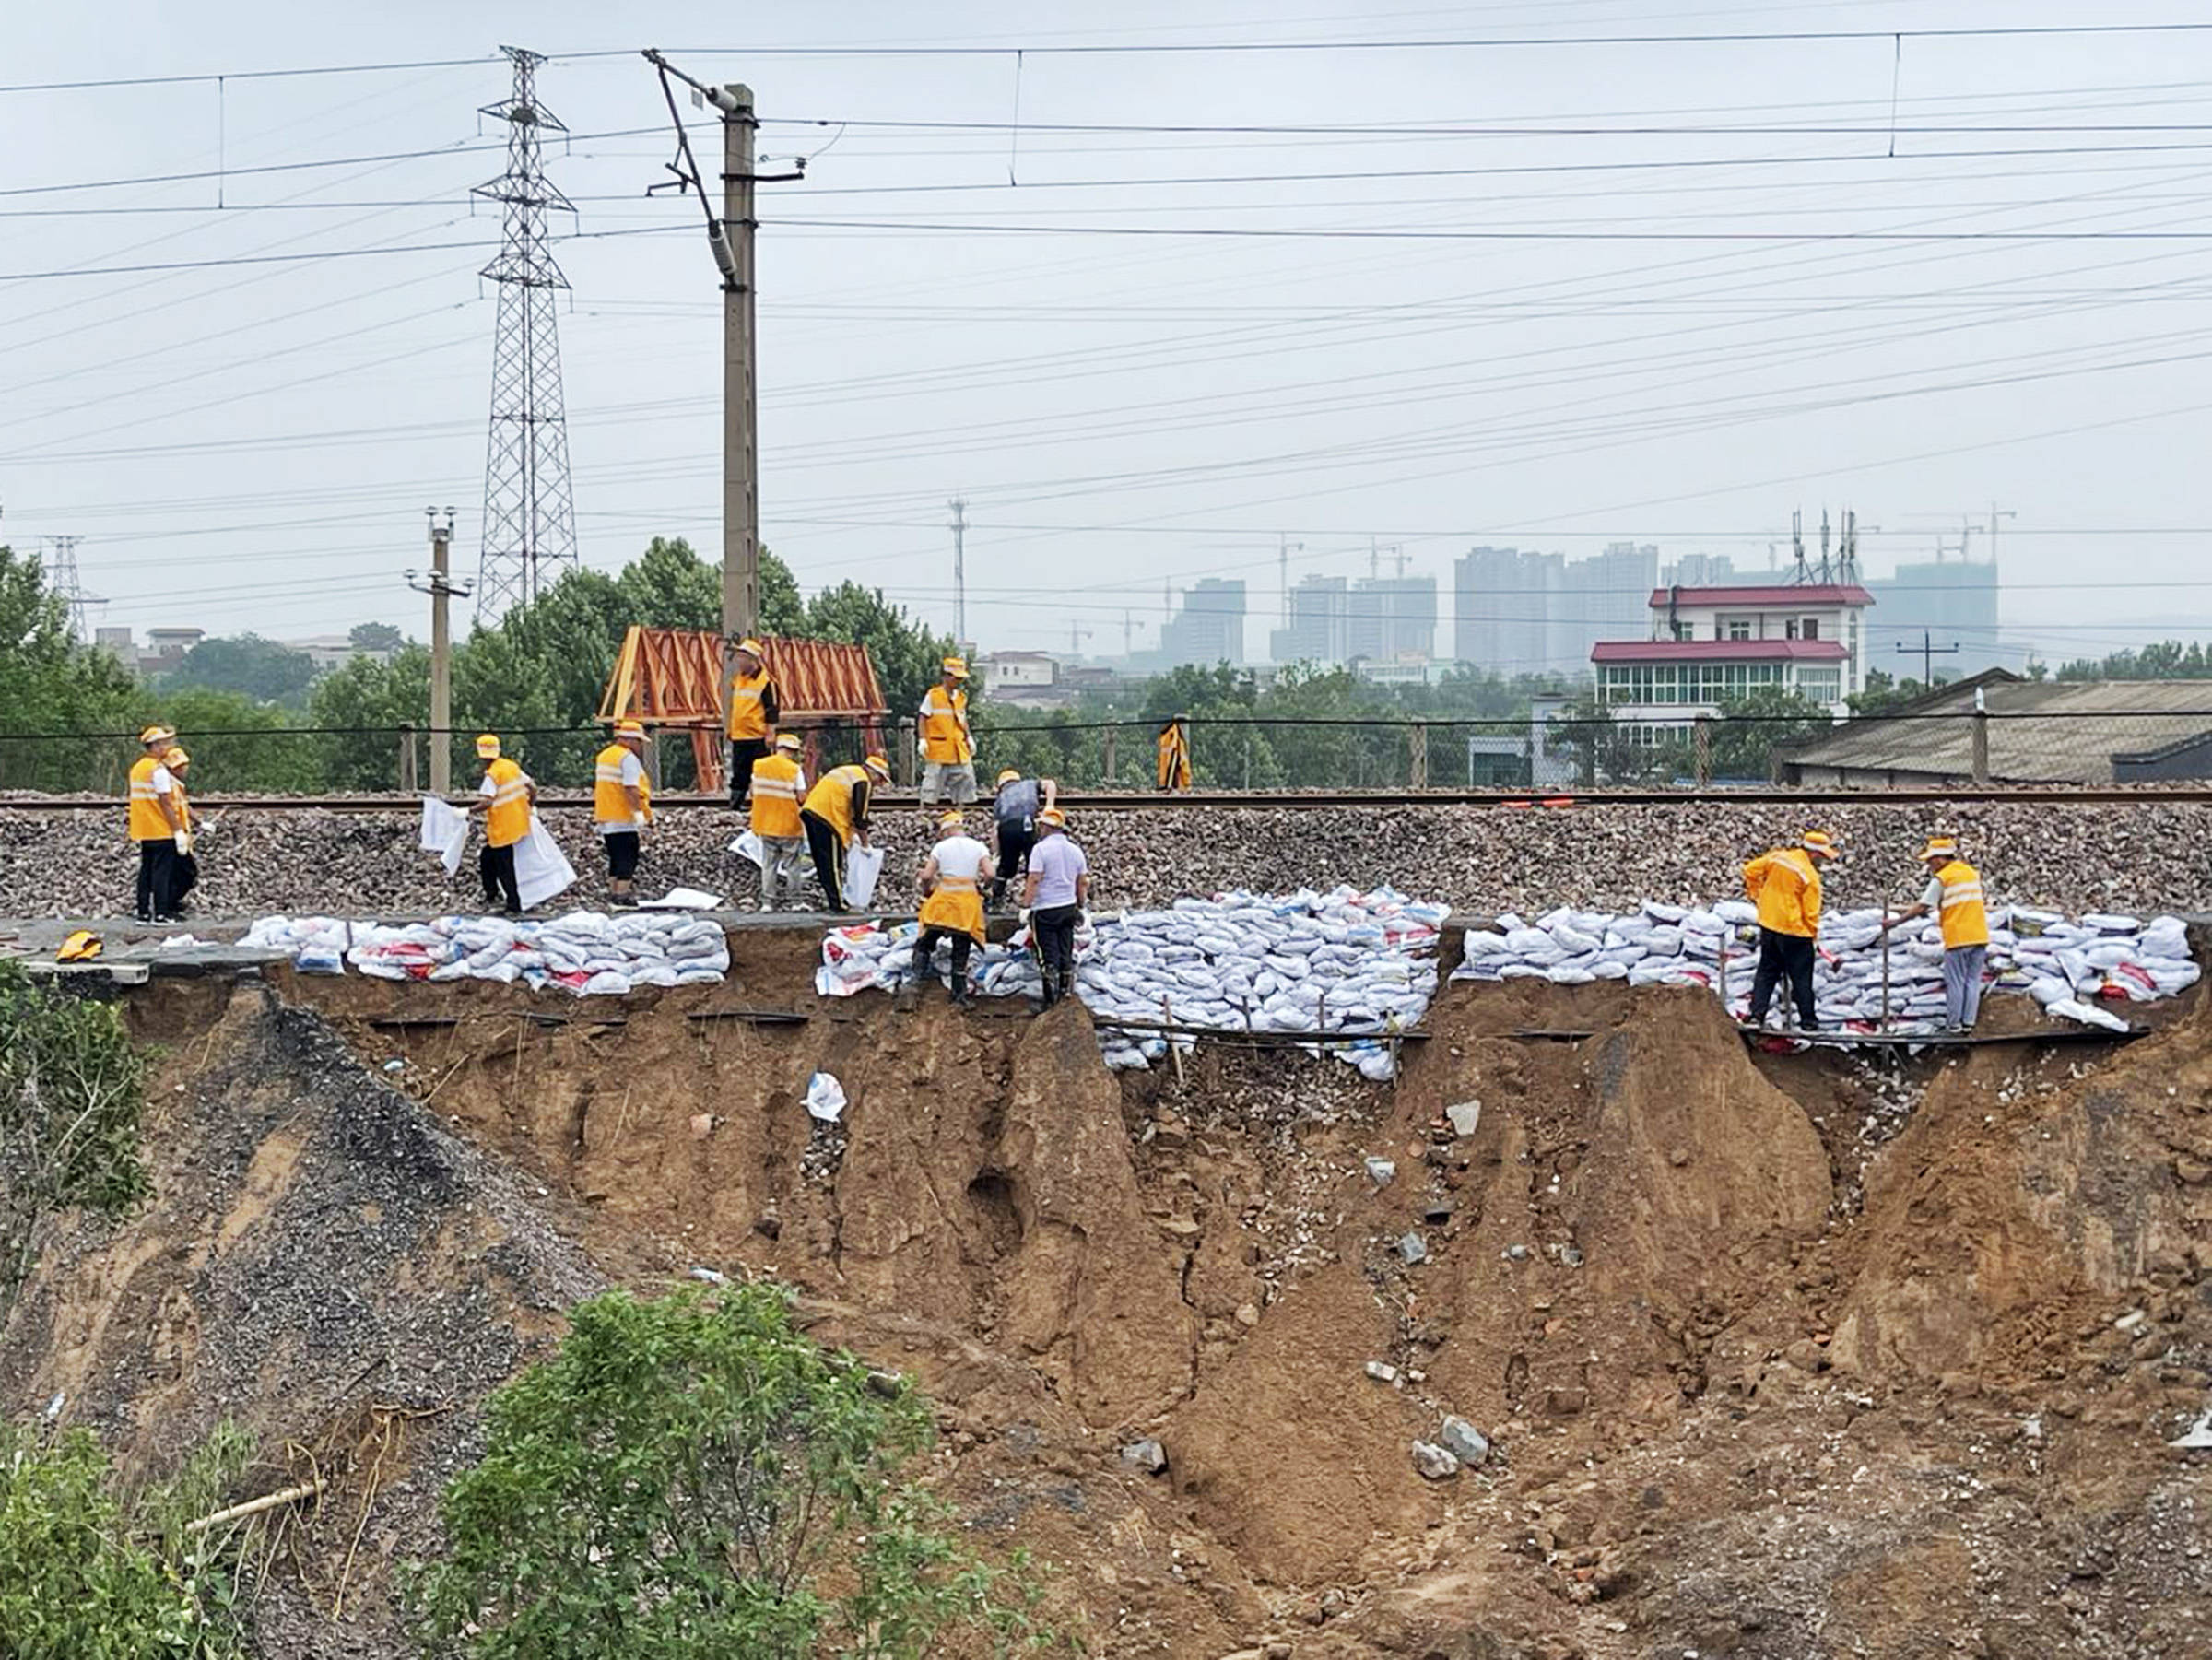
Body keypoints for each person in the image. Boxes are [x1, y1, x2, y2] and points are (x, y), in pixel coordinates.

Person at [1881, 835, 1990, 1030]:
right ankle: (1968, 1024)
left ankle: (1954, 1025)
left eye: (1930, 860)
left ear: (1940, 858)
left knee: (1955, 982)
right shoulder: (1970, 873)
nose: (1929, 865)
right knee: (1972, 980)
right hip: (1980, 935)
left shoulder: (1943, 878)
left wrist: (1896, 922)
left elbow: (1922, 907)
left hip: (1958, 937)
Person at [1742, 829, 1839, 1030]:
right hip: (1796, 933)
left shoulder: (1778, 858)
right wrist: (1813, 935)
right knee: (1801, 977)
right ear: (1814, 853)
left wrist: (1757, 895)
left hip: (1769, 925)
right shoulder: (1810, 876)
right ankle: (1808, 1022)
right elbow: (1811, 912)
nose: (1822, 861)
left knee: (1766, 972)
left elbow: (1750, 870)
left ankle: (1756, 1016)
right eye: (1822, 857)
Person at [914, 810, 995, 1007]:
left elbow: (926, 876)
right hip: (966, 907)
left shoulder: (941, 847)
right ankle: (959, 996)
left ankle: (914, 985)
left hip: (942, 904)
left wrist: (927, 891)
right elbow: (991, 873)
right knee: (961, 950)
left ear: (945, 831)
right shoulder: (978, 847)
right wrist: (983, 886)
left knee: (924, 943)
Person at [800, 752, 891, 912]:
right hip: (828, 818)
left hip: (810, 811)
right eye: (880, 779)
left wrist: (851, 835)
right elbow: (860, 817)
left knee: (823, 861)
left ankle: (832, 899)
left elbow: (844, 802)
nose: (879, 784)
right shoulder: (863, 781)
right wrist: (865, 844)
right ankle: (838, 905)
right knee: (833, 864)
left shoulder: (849, 770)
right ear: (873, 772)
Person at [1022, 807, 1090, 1011]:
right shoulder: (1075, 850)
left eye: (1041, 826)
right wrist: (1080, 903)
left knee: (1048, 954)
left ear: (1046, 827)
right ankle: (1066, 992)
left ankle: (1050, 1001)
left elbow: (1034, 879)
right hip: (1068, 907)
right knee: (1065, 947)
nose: (1039, 829)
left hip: (1046, 908)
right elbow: (1082, 882)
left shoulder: (1040, 850)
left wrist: (1027, 905)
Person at [465, 734, 535, 915]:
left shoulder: (492, 774)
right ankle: (492, 893)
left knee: (504, 866)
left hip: (503, 827)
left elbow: (487, 802)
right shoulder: (510, 766)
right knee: (487, 857)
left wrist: (467, 811)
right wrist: (530, 805)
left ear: (480, 755)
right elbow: (532, 786)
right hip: (519, 821)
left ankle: (514, 905)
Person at [126, 724, 185, 923]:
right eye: (165, 743)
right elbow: (165, 802)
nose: (168, 747)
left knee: (146, 871)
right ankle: (161, 913)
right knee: (162, 873)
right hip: (160, 828)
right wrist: (178, 830)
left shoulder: (137, 768)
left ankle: (143, 912)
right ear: (156, 746)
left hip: (143, 829)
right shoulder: (158, 770)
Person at [593, 719, 653, 906]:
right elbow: (631, 788)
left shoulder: (605, 755)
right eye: (638, 741)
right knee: (628, 854)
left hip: (606, 815)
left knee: (615, 855)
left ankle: (613, 891)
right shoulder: (628, 759)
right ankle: (622, 895)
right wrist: (638, 813)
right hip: (622, 816)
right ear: (629, 740)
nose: (639, 746)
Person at [749, 733, 808, 911]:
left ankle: (767, 903)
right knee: (792, 865)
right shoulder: (794, 769)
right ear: (793, 751)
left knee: (768, 865)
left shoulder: (759, 765)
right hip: (788, 824)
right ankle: (795, 902)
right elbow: (802, 797)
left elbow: (753, 792)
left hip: (764, 824)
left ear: (777, 748)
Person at [989, 767, 1058, 909]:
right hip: (1028, 825)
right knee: (1033, 863)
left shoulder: (1000, 800)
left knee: (1006, 867)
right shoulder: (1030, 784)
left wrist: (996, 853)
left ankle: (997, 899)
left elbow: (995, 830)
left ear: (1001, 786)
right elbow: (1050, 784)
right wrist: (1049, 806)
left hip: (1007, 829)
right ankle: (1034, 898)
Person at [724, 638, 780, 808]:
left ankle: (764, 803)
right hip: (740, 735)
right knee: (739, 771)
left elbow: (772, 709)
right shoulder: (739, 679)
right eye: (738, 657)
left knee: (761, 772)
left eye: (742, 657)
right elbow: (736, 707)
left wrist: (770, 732)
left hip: (758, 735)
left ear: (752, 659)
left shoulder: (766, 681)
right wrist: (730, 728)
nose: (738, 661)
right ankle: (736, 803)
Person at [917, 656, 976, 807]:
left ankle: (962, 810)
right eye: (956, 678)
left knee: (965, 781)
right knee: (932, 784)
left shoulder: (961, 698)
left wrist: (969, 737)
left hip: (959, 750)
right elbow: (923, 717)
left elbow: (962, 719)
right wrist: (922, 739)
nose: (958, 682)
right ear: (946, 676)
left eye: (960, 679)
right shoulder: (934, 696)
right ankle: (927, 810)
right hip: (939, 750)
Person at [165, 746, 199, 915]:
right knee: (186, 872)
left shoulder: (177, 786)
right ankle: (169, 904)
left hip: (181, 834)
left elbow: (184, 806)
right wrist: (177, 833)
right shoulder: (169, 786)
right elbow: (168, 809)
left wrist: (200, 821)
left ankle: (172, 902)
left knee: (180, 872)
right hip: (173, 835)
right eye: (181, 766)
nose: (185, 768)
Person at [1157, 713, 1193, 793]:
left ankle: (1177, 785)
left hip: (1166, 778)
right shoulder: (1172, 735)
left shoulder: (1165, 736)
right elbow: (1181, 761)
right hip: (1170, 778)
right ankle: (1178, 786)